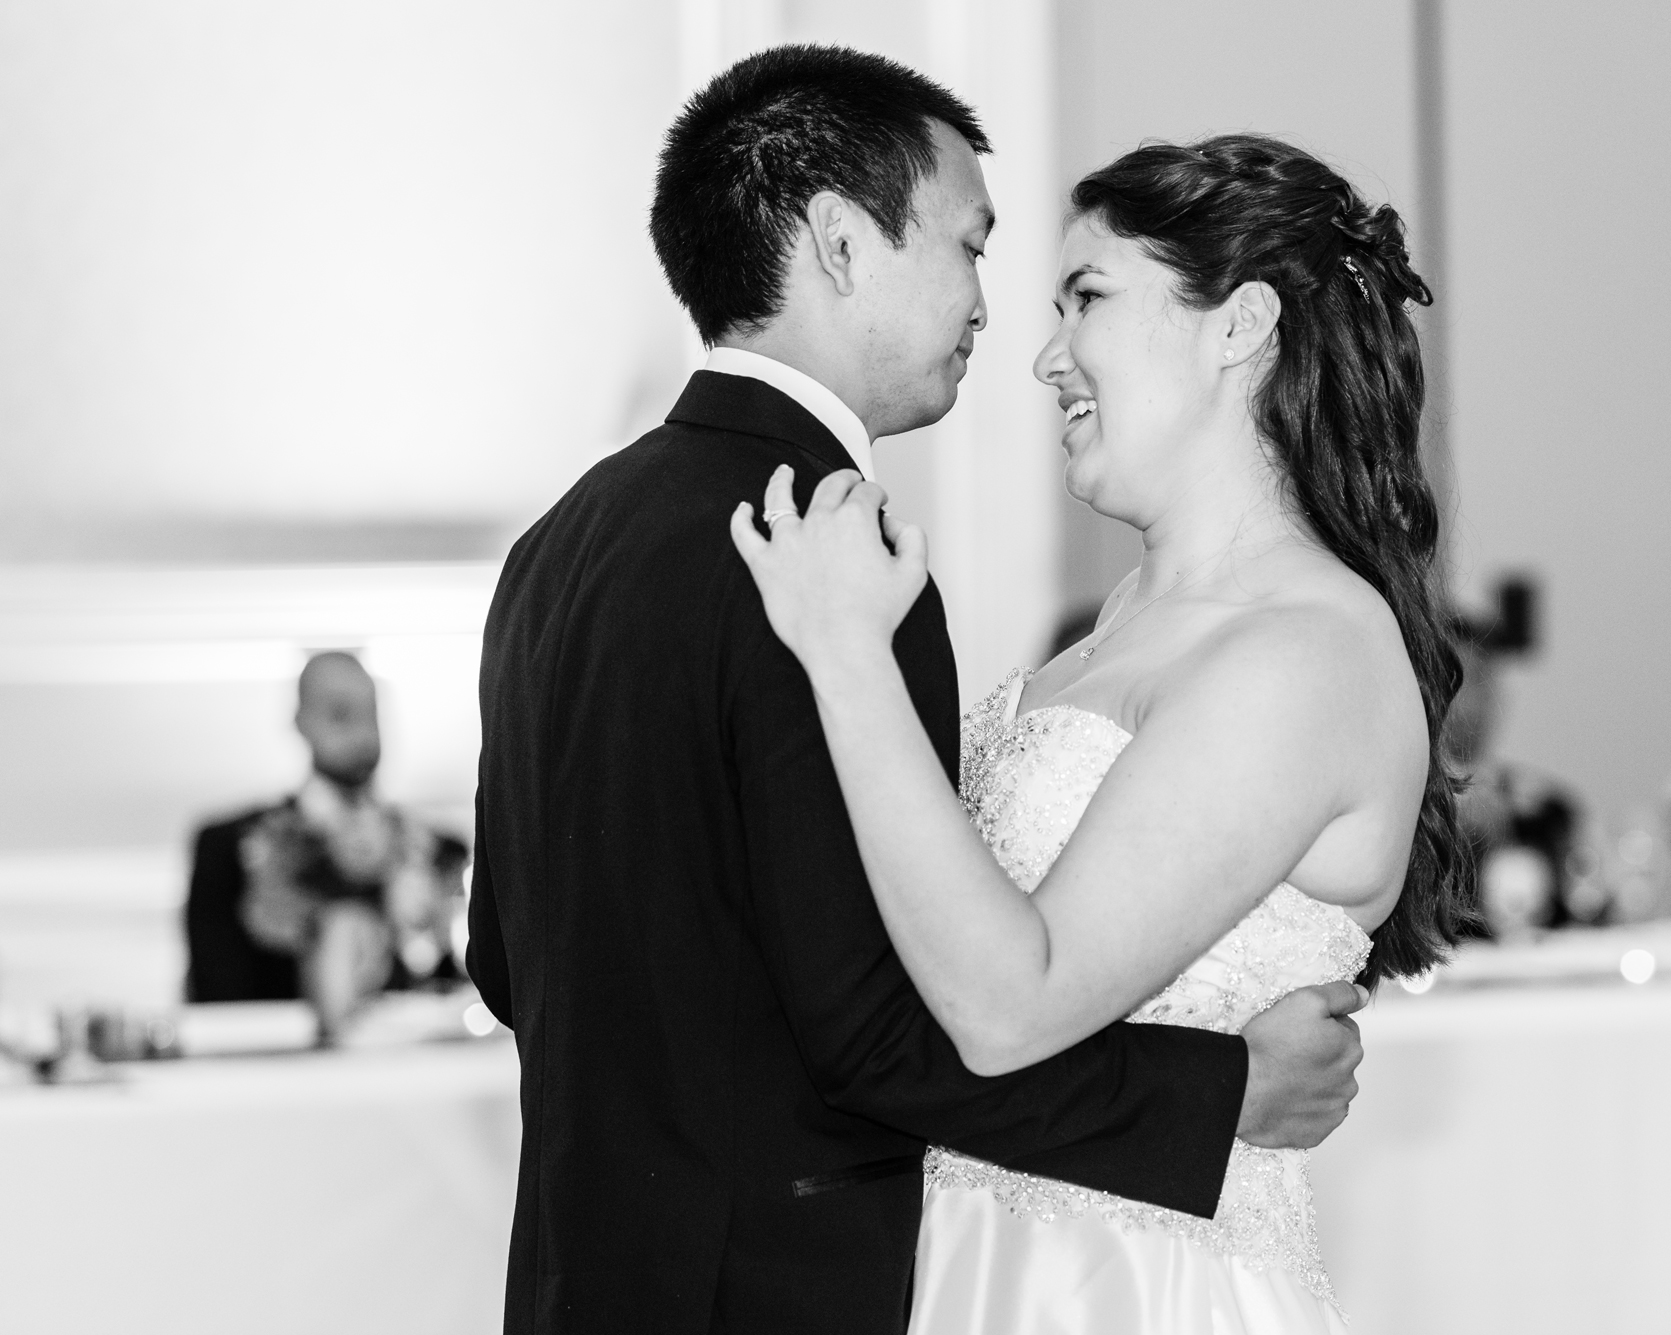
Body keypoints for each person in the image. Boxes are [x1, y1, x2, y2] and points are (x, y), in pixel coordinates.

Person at [465, 48, 1367, 1335]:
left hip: (585, 1273)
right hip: (779, 1285)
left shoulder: (558, 546)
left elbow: (504, 961)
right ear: (838, 243)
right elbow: (873, 1032)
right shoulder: (830, 552)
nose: (991, 311)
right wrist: (1216, 1097)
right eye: (968, 245)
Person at [732, 134, 1475, 1331]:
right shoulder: (1125, 623)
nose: (1041, 356)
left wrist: (844, 654)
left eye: (1086, 297)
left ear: (1236, 326)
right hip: (978, 1263)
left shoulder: (1304, 652)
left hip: (1130, 1289)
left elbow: (1010, 1005)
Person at [184, 651, 465, 1034]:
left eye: (372, 714)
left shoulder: (440, 850)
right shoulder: (230, 848)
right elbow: (217, 1002)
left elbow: (462, 992)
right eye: (340, 714)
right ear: (301, 722)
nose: (363, 733)